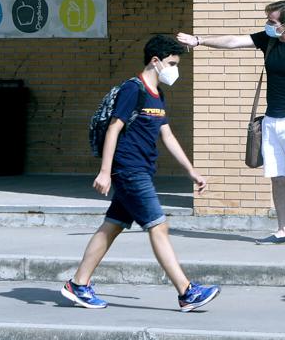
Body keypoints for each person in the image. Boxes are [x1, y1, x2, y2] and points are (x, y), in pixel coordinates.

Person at [61, 35, 220, 312]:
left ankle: (78, 285)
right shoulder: (133, 90)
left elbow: (167, 134)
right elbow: (114, 129)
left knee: (111, 226)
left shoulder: (158, 94)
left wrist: (191, 171)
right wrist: (105, 172)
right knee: (159, 225)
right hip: (129, 170)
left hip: (141, 169)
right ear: (154, 61)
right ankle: (186, 292)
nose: (174, 69)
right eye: (171, 63)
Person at [177, 0, 285, 247]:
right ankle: (283, 230)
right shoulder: (267, 40)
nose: (267, 24)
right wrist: (199, 40)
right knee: (277, 177)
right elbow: (233, 41)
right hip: (271, 120)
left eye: (272, 21)